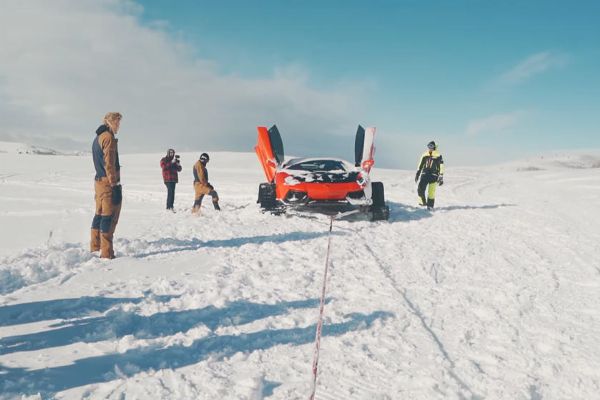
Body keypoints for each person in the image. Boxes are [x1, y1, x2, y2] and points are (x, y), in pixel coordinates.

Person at [90, 112, 123, 259]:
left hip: (99, 182)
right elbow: (109, 164)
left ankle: (95, 246)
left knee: (99, 214)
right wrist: (114, 185)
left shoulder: (98, 137)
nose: (119, 126)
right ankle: (107, 252)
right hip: (107, 183)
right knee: (109, 216)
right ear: (110, 122)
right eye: (117, 122)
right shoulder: (108, 138)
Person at [415, 140, 444, 210]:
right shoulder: (424, 155)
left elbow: (441, 166)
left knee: (431, 192)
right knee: (420, 189)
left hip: (434, 175)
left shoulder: (438, 155)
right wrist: (417, 174)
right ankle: (422, 203)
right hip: (425, 174)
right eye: (429, 146)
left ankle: (430, 206)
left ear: (435, 147)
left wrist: (441, 176)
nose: (430, 147)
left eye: (431, 146)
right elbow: (420, 164)